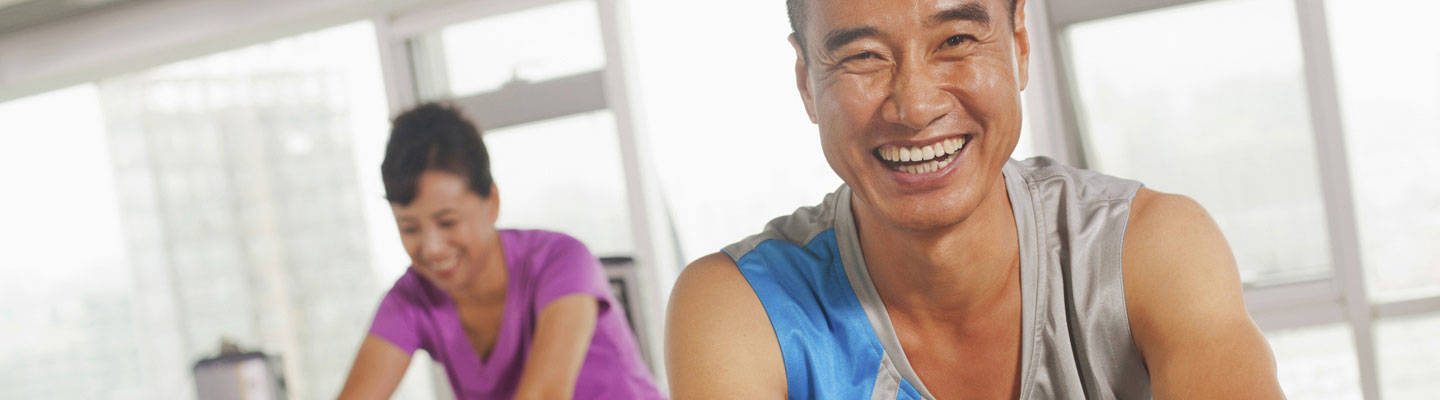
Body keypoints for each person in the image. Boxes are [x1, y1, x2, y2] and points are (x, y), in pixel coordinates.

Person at [665, 0, 1286, 398]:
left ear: (1018, 44)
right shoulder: (740, 308)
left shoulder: (1150, 249)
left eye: (957, 40)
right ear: (806, 82)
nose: (916, 104)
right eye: (862, 56)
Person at [339, 103, 664, 400]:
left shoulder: (563, 261)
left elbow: (545, 396)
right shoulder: (411, 299)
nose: (432, 248)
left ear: (491, 201)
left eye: (447, 222)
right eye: (409, 228)